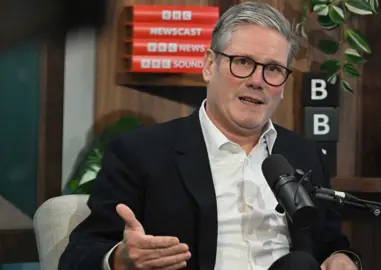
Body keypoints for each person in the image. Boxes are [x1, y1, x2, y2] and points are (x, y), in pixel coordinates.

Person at [59, 2, 362, 270]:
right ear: (208, 65)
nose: (257, 81)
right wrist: (120, 260)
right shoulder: (141, 152)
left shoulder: (304, 155)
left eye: (272, 69)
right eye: (243, 62)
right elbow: (79, 256)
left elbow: (330, 244)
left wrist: (343, 259)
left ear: (282, 85)